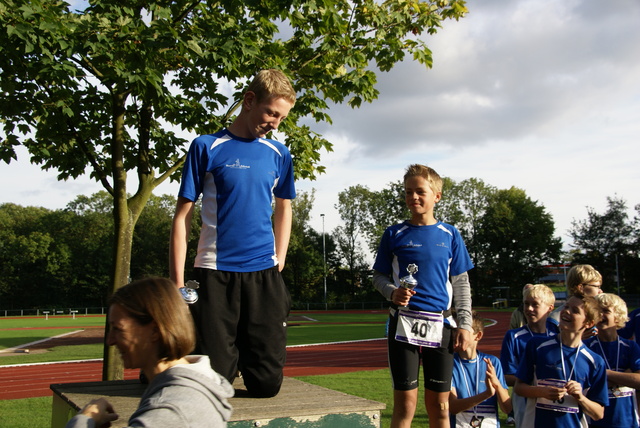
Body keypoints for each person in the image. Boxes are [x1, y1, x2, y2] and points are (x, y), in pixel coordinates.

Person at [169, 69, 296, 398]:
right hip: (215, 273)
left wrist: (279, 258)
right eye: (271, 113)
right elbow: (183, 216)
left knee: (267, 386)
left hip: (264, 276)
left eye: (281, 118)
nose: (275, 123)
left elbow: (284, 206)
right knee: (215, 385)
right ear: (249, 101)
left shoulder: (279, 154)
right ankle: (181, 367)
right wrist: (177, 283)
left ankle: (239, 357)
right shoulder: (207, 146)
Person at [373, 164, 474, 428]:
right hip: (402, 324)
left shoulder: (450, 234)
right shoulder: (394, 233)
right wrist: (392, 292)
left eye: (420, 191)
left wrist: (464, 325)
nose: (413, 197)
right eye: (408, 192)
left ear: (436, 196)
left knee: (440, 408)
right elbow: (378, 277)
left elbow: (461, 284)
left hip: (441, 326)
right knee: (405, 406)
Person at [66, 277, 234, 428]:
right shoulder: (191, 391)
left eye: (118, 329)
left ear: (155, 331)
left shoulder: (170, 410)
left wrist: (85, 419)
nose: (110, 340)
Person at [514, 294, 608, 428]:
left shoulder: (595, 361)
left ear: (589, 323)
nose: (566, 311)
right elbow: (519, 388)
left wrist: (580, 397)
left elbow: (598, 413)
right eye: (566, 306)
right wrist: (543, 392)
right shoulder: (537, 346)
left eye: (575, 310)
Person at [500, 283, 559, 428]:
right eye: (526, 304)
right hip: (525, 403)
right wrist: (538, 383)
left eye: (535, 305)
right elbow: (506, 376)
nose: (529, 309)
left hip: (555, 401)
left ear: (550, 308)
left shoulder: (558, 335)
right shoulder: (514, 336)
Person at [584, 293, 640, 428]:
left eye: (606, 311)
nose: (600, 315)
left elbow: (638, 381)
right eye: (597, 311)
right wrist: (625, 376)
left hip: (628, 421)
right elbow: (586, 384)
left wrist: (603, 373)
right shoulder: (586, 347)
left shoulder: (630, 346)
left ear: (618, 316)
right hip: (597, 422)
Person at [450, 312, 512, 428]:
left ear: (478, 336)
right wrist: (487, 394)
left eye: (462, 330)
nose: (456, 335)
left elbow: (507, 408)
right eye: (454, 330)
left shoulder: (492, 362)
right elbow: (453, 407)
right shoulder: (450, 364)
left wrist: (497, 384)